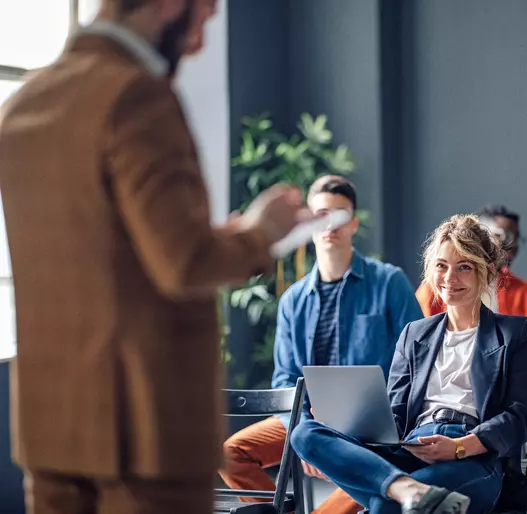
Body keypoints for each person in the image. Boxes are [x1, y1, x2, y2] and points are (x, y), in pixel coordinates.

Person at [0, 1, 311, 513]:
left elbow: (104, 251)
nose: (199, 44)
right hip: (143, 432)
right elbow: (185, 263)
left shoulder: (27, 101)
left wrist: (222, 234)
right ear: (169, 5)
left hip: (51, 428)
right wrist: (261, 232)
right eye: (202, 18)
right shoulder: (135, 96)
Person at [290, 214, 527, 514]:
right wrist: (346, 422)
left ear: (486, 272)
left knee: (386, 506)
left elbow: (520, 418)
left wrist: (460, 447)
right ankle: (403, 487)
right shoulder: (415, 334)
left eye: (464, 267)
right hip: (411, 447)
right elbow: (395, 417)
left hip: (474, 457)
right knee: (304, 433)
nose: (450, 278)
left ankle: (398, 489)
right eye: (441, 266)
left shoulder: (519, 333)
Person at [220, 175, 423, 514]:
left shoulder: (389, 282)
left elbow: (418, 359)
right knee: (231, 452)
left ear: (354, 223)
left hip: (373, 423)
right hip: (307, 420)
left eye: (340, 215)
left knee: (380, 466)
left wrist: (387, 414)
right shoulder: (293, 300)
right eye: (322, 214)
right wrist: (305, 434)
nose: (331, 224)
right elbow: (285, 378)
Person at [415, 205, 527, 364]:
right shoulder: (437, 288)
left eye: (516, 239)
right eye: (504, 236)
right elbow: (419, 345)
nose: (512, 246)